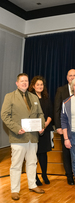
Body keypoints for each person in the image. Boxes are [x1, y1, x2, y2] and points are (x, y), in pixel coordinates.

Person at [1, 73, 45, 201]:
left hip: (33, 137)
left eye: (26, 81)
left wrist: (41, 126)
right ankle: (15, 190)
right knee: (16, 165)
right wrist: (16, 128)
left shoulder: (34, 97)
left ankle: (32, 185)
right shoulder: (10, 97)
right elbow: (4, 115)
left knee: (32, 162)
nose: (24, 83)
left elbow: (40, 114)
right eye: (22, 81)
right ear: (17, 83)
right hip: (18, 137)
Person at [54, 69, 75, 185]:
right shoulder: (61, 90)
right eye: (70, 76)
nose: (72, 77)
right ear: (67, 77)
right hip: (65, 128)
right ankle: (69, 176)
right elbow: (57, 109)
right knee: (67, 153)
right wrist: (58, 126)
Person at [29, 76, 53, 186]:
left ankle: (44, 174)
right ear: (33, 86)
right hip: (33, 131)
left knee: (43, 154)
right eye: (38, 84)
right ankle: (34, 177)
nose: (40, 86)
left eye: (41, 84)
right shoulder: (29, 98)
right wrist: (37, 127)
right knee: (33, 155)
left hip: (45, 130)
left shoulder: (46, 98)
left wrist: (45, 124)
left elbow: (50, 114)